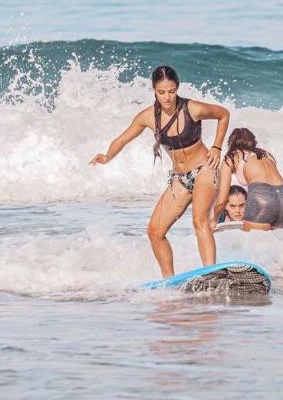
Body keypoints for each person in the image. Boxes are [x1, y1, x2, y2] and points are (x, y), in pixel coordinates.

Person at [89, 66, 230, 277]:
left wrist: (217, 147)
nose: (167, 97)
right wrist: (107, 156)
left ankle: (210, 273)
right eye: (161, 92)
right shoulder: (147, 117)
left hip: (204, 169)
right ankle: (169, 281)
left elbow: (223, 114)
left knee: (199, 220)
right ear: (154, 90)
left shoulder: (192, 109)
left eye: (171, 91)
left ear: (177, 88)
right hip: (179, 179)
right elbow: (123, 138)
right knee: (155, 231)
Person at [213, 127, 283, 231]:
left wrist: (213, 220)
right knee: (276, 243)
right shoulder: (266, 155)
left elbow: (222, 200)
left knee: (252, 245)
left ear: (231, 144)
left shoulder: (232, 156)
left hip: (262, 197)